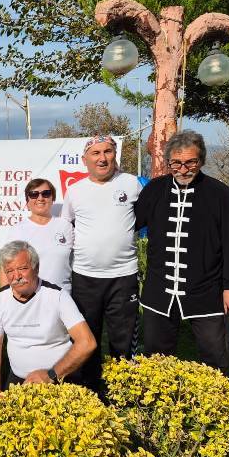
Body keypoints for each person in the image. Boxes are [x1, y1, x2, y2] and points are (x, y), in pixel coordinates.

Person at [135, 130, 229, 374]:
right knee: (155, 359)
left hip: (205, 290)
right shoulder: (154, 190)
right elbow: (128, 223)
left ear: (201, 160)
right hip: (159, 291)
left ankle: (218, 404)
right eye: (176, 163)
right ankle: (158, 407)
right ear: (168, 162)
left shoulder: (220, 194)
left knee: (215, 356)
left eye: (190, 162)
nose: (183, 169)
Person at [61, 134, 142, 392]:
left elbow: (142, 219)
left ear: (115, 155)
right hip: (85, 276)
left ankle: (124, 390)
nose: (102, 158)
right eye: (95, 153)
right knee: (89, 336)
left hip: (124, 275)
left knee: (124, 337)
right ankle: (90, 389)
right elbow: (67, 227)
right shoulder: (74, 191)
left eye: (107, 151)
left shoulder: (131, 184)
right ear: (85, 159)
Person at [0, 241, 96, 402]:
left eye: (22, 268)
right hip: (18, 381)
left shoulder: (57, 296)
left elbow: (87, 342)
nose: (16, 276)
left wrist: (51, 374)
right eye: (10, 271)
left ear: (36, 268)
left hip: (58, 379)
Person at [1, 178, 74, 291]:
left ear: (52, 198)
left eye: (46, 193)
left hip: (63, 297)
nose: (40, 198)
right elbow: (6, 266)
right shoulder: (17, 230)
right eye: (34, 194)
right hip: (29, 298)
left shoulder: (66, 227)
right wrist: (4, 297)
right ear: (27, 201)